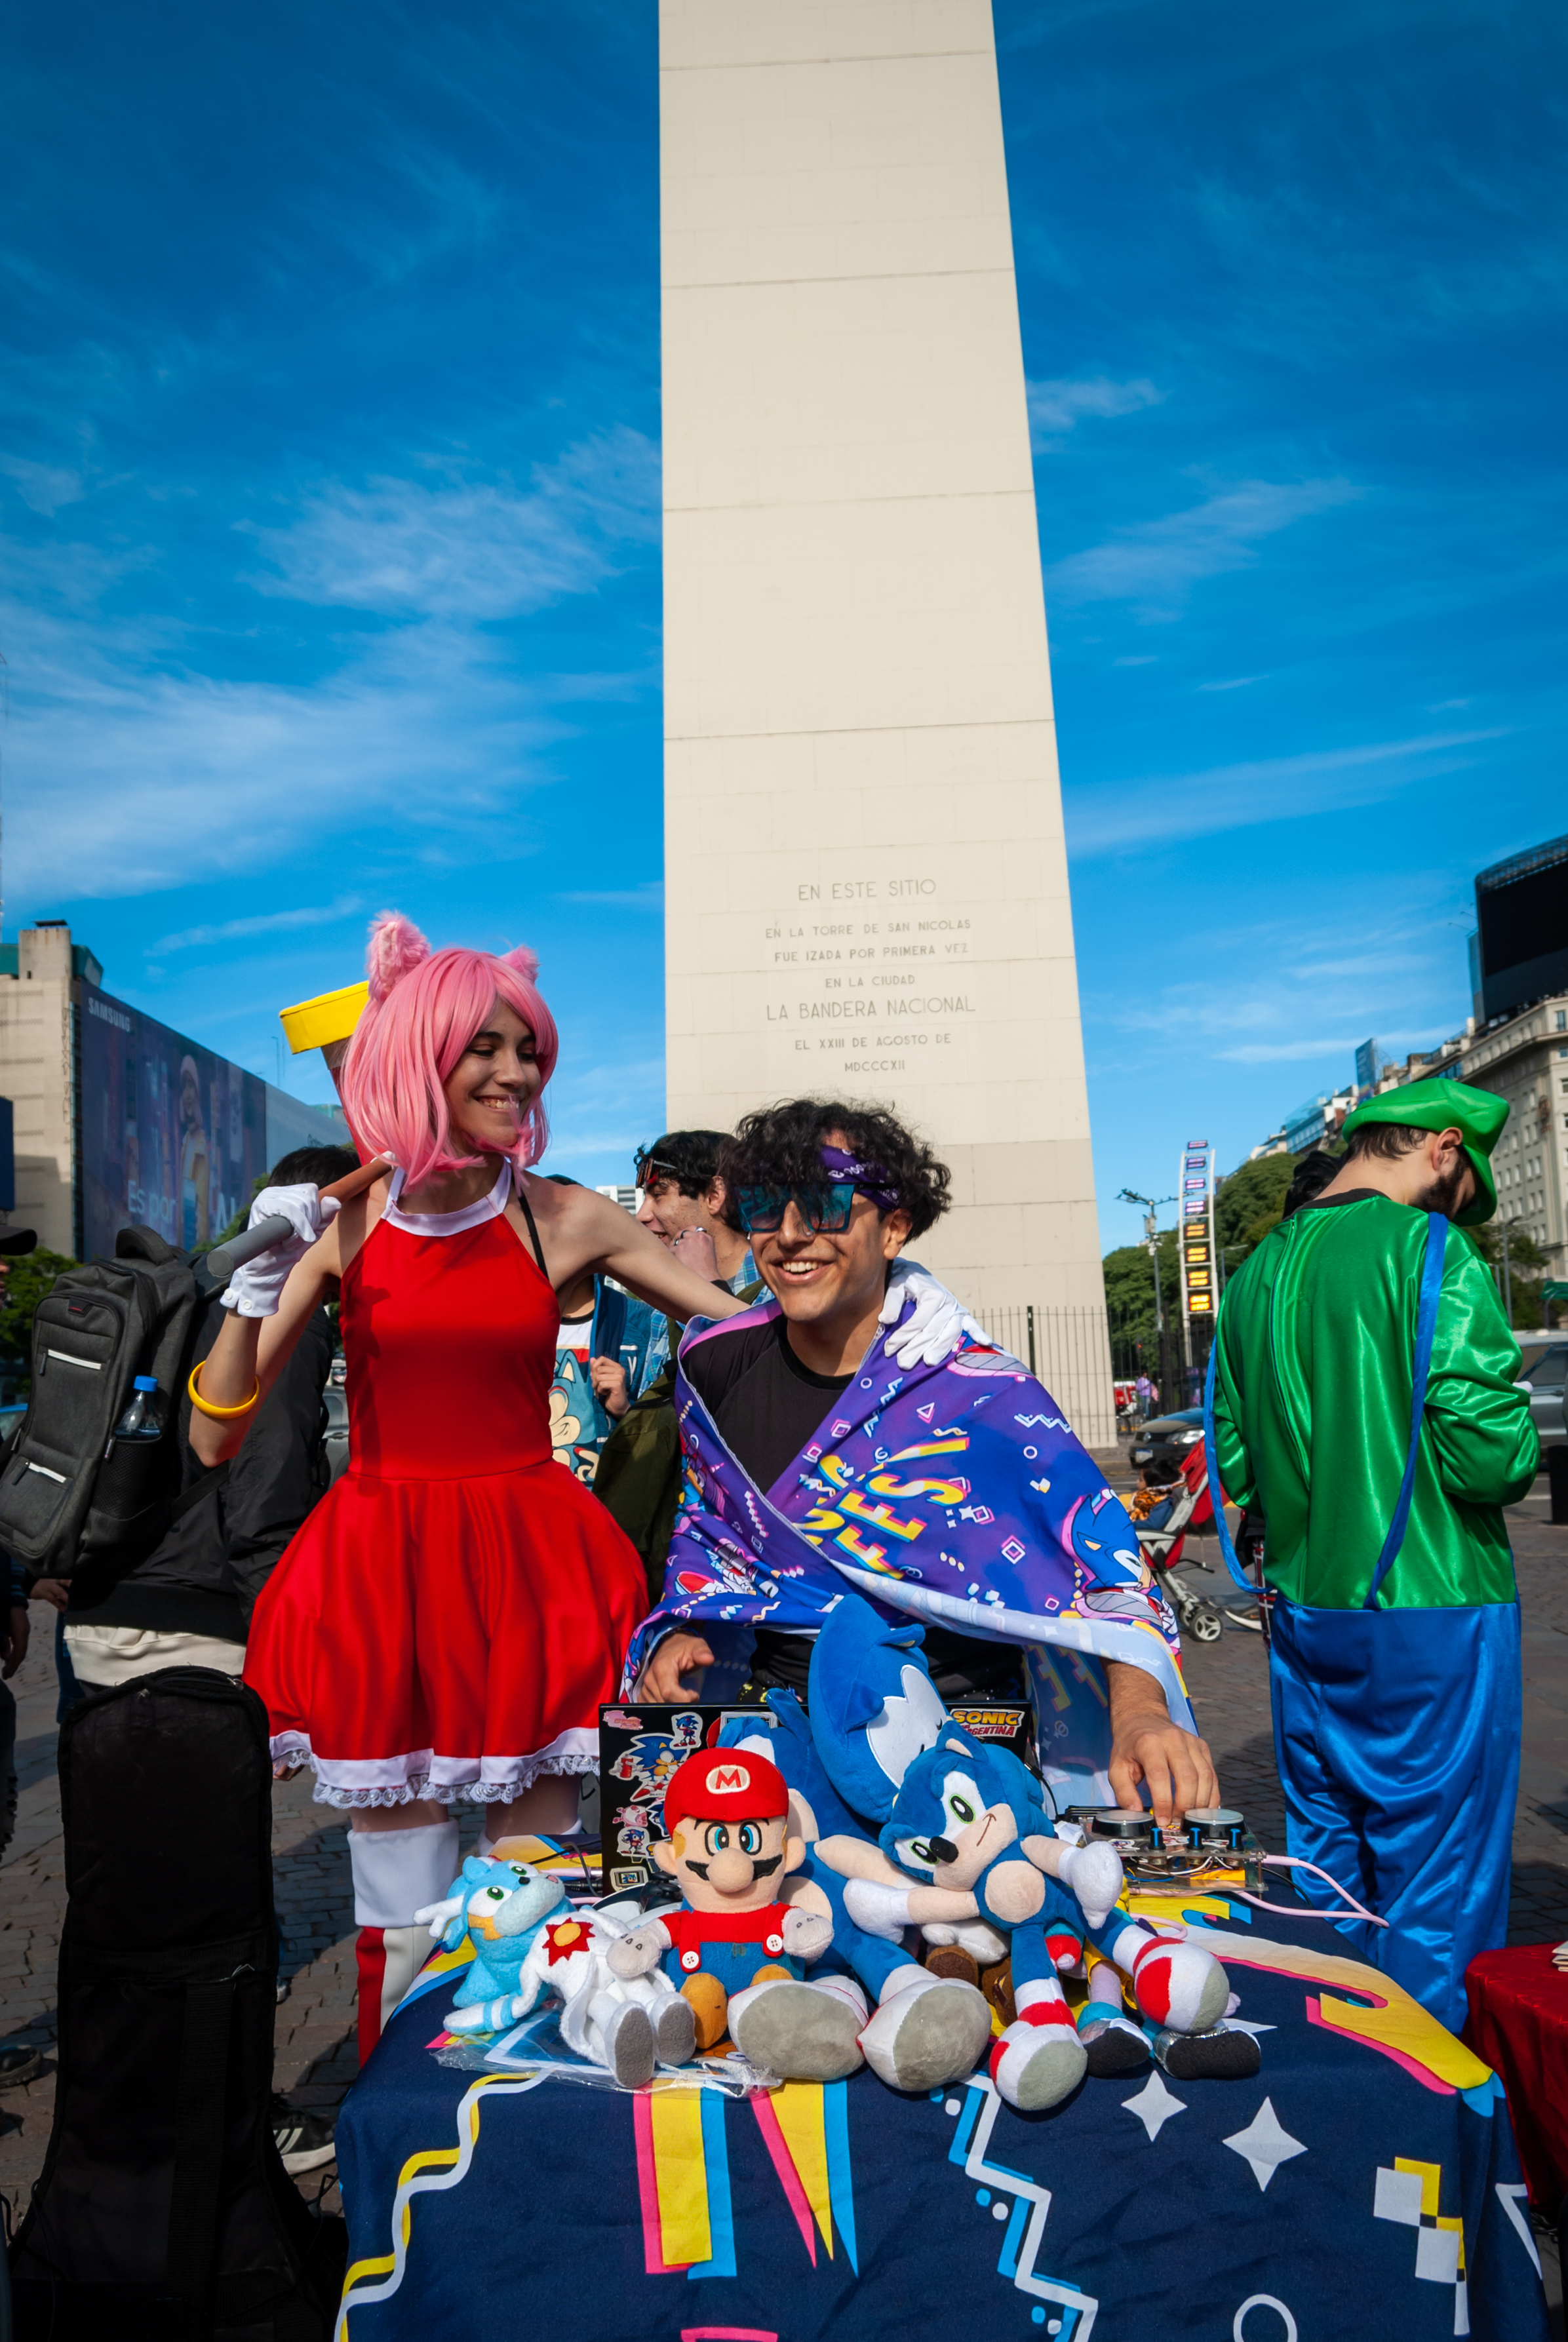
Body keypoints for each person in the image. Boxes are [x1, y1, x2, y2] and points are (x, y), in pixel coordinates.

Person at [190, 914, 756, 2054]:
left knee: (535, 1878)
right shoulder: (346, 1216)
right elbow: (214, 1435)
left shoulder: (560, 1212)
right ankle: (403, 2102)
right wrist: (251, 1290)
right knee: (395, 1887)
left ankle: (530, 2105)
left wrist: (848, 1295)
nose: (513, 1071)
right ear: (417, 1055)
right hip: (380, 1562)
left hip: (527, 1560)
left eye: (527, 1047)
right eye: (483, 1048)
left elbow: (746, 1326)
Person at [634, 1098, 1218, 1824]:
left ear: (894, 1228)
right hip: (781, 1736)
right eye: (763, 1207)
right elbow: (712, 1529)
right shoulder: (711, 1366)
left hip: (966, 1741)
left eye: (824, 1205)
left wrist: (1138, 1714)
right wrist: (690, 1627)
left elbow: (1105, 1565)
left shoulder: (983, 1390)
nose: (788, 1236)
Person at [1210, 1077, 1538, 2029]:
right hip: (1435, 1605)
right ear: (1442, 1147)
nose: (1453, 1205)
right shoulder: (1431, 1250)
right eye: (1458, 1182)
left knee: (1326, 1867)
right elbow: (1491, 1459)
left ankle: (1343, 2096)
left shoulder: (1256, 1271)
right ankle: (1434, 2119)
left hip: (1305, 1613)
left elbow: (1237, 1458)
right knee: (1436, 1884)